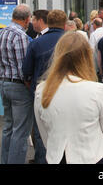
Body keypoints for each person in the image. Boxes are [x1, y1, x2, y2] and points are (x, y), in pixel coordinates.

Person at [34, 31, 103, 164]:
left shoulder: (42, 90)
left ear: (57, 55)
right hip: (92, 156)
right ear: (86, 57)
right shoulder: (96, 90)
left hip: (57, 156)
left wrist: (54, 148)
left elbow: (43, 131)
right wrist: (99, 150)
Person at [22, 9, 67, 163]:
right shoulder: (71, 41)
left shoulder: (36, 43)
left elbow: (26, 71)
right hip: (68, 91)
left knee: (41, 131)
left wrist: (33, 87)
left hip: (42, 92)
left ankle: (42, 160)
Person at [0, 4, 33, 164]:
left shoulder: (3, 32)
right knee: (20, 131)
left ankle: (5, 160)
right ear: (27, 19)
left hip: (4, 82)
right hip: (19, 86)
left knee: (8, 127)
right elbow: (24, 68)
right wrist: (30, 86)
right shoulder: (20, 36)